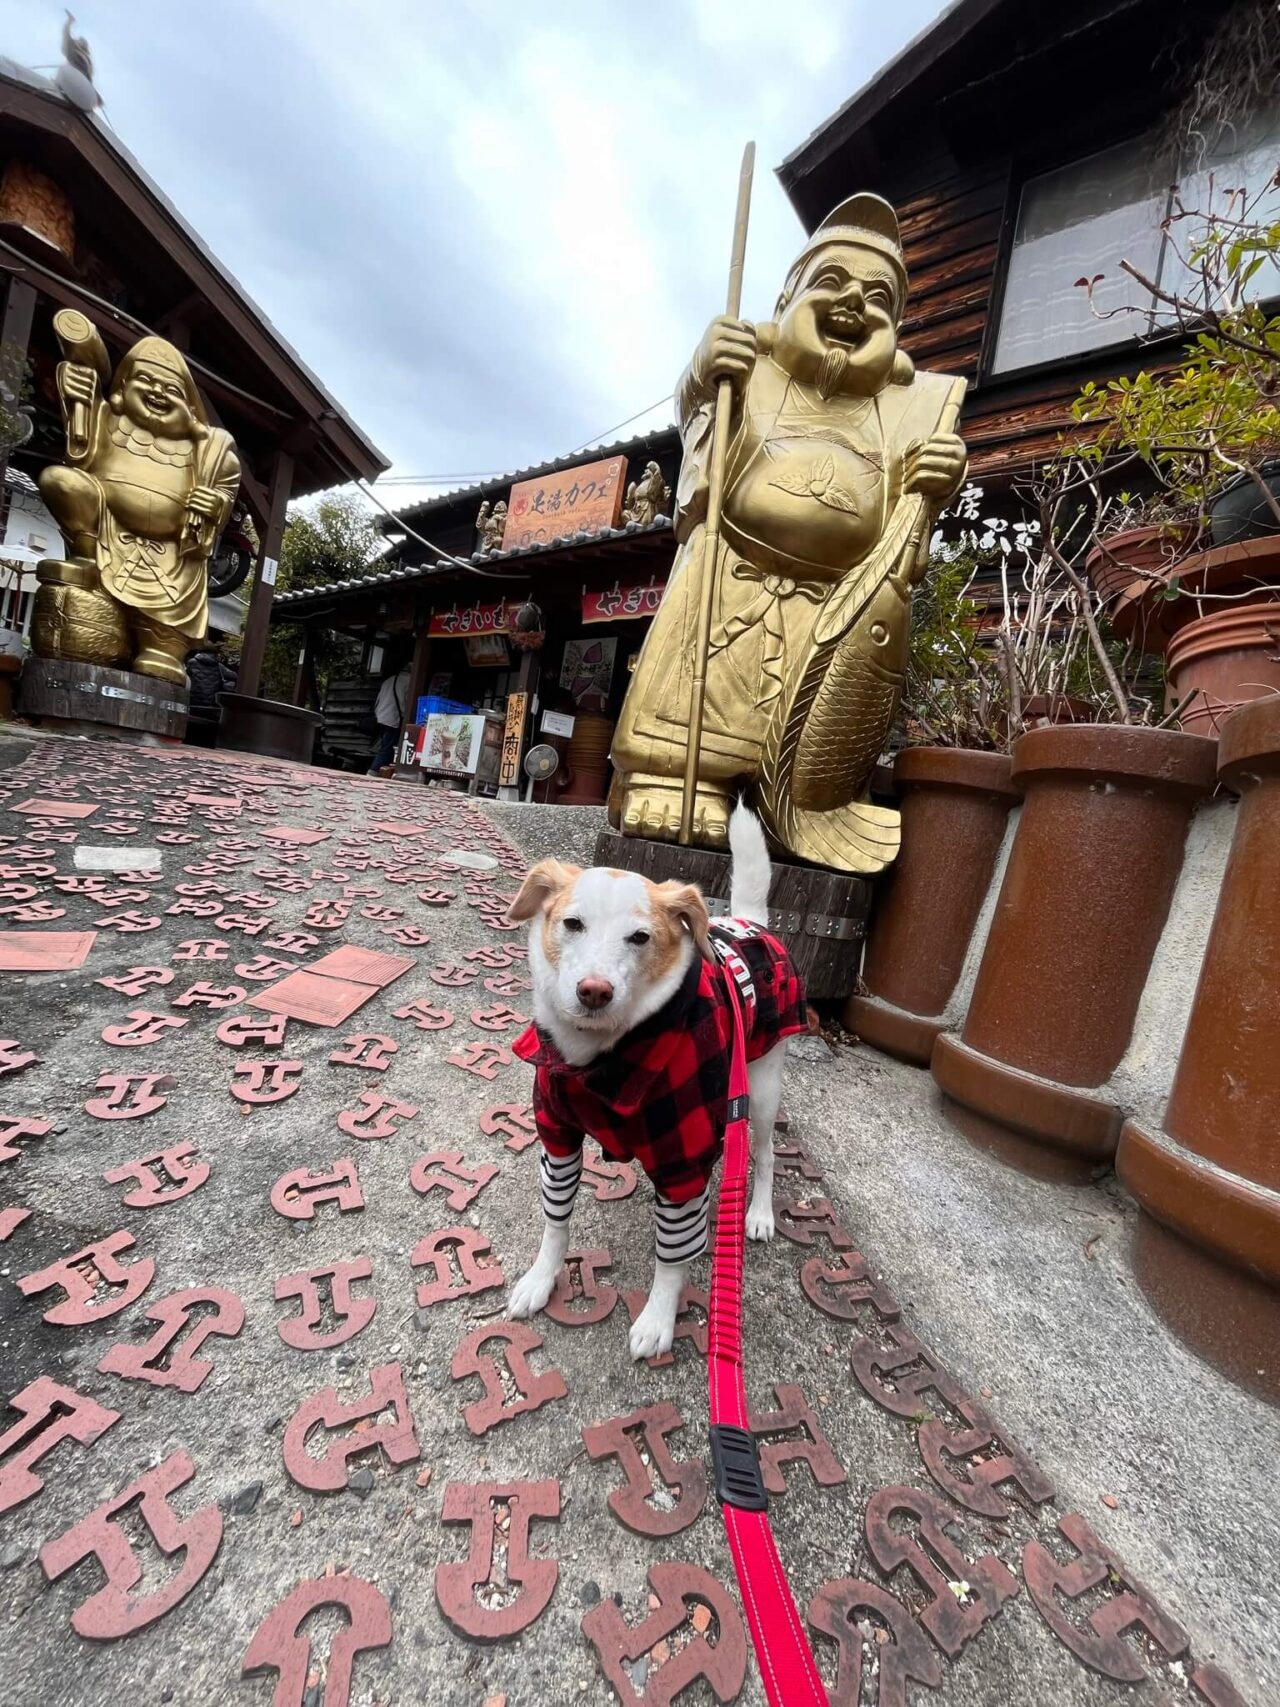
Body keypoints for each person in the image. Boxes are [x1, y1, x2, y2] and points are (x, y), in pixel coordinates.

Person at [368, 662, 411, 774]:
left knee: (384, 746)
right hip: (393, 719)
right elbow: (406, 704)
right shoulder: (409, 681)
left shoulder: (389, 680)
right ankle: (373, 772)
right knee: (387, 748)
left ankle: (380, 771)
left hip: (380, 717)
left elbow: (378, 700)